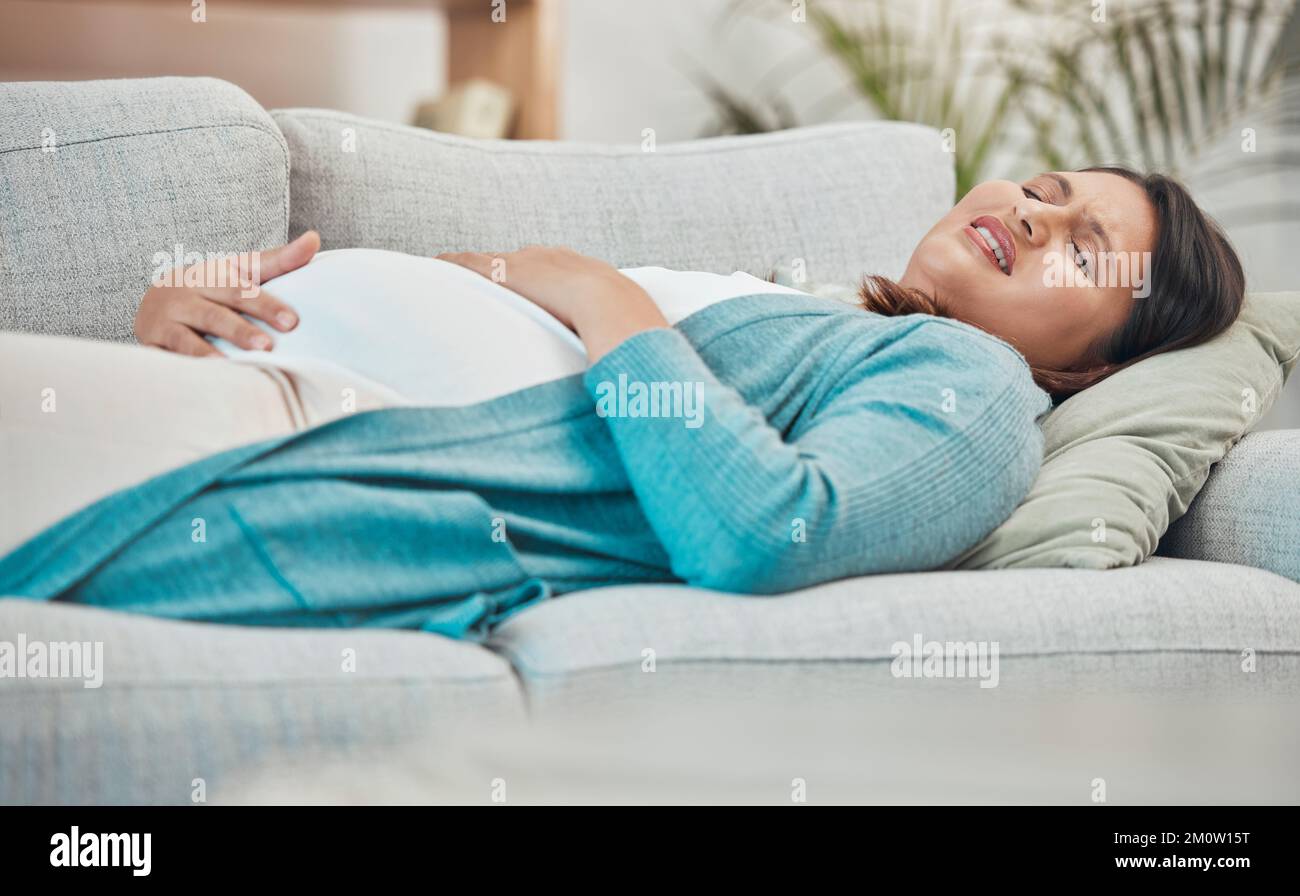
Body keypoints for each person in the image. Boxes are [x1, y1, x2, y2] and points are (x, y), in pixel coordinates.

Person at [0, 168, 1244, 638]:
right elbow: (501, 294)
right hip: (221, 384)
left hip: (303, 444)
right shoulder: (796, 309)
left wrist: (597, 288)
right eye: (1045, 185)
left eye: (1085, 248)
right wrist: (181, 312)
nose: (1035, 213)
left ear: (1088, 372)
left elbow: (764, 528)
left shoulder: (974, 388)